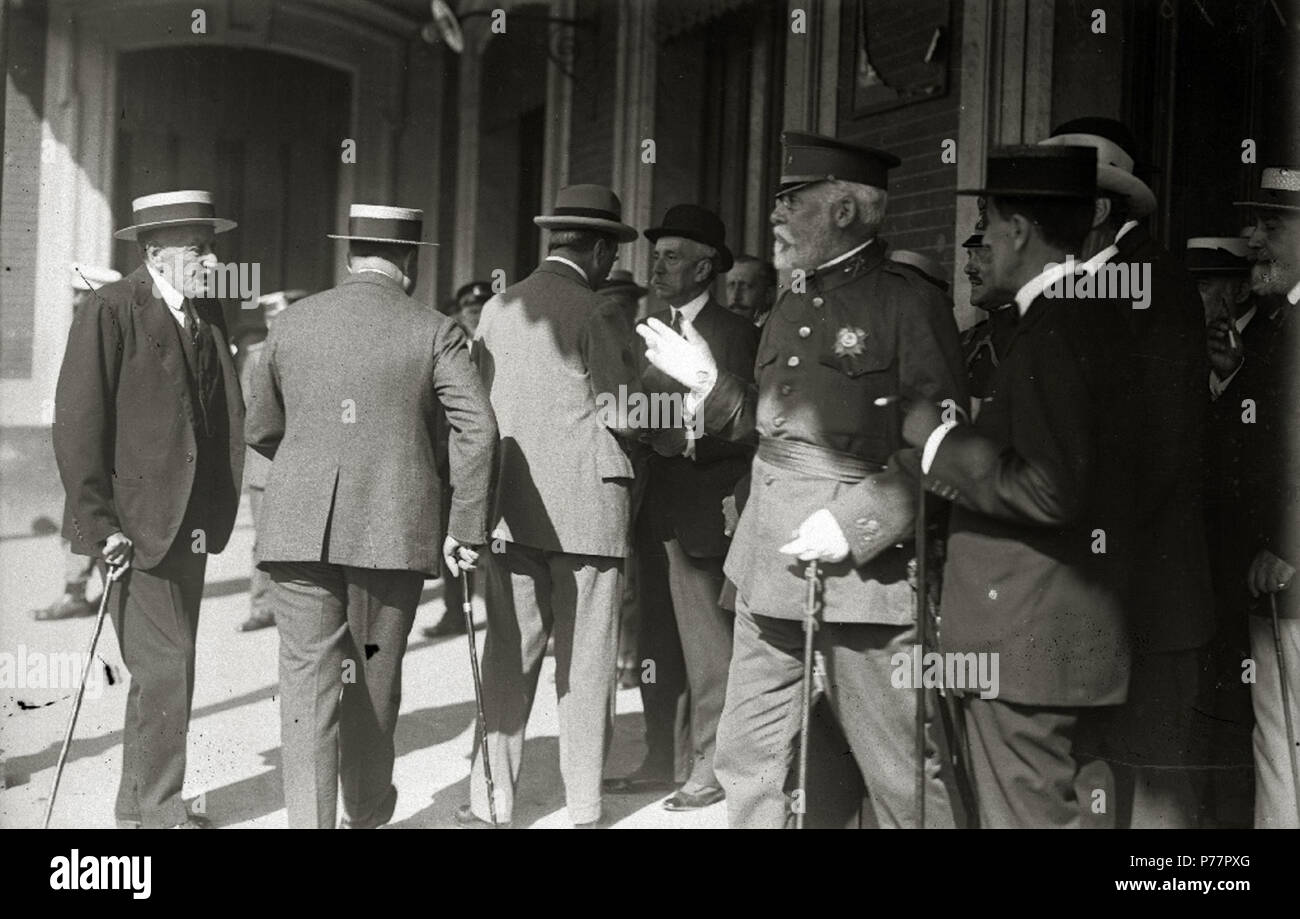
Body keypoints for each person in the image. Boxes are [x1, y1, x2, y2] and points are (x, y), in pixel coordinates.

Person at [639, 133, 968, 829]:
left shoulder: (909, 305)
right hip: (769, 560)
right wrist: (708, 382)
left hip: (863, 577)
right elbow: (772, 431)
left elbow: (938, 449)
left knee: (900, 768)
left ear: (845, 209)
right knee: (747, 754)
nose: (776, 217)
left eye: (793, 201)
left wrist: (852, 525)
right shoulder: (789, 304)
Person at [900, 145, 1139, 828]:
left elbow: (1049, 488)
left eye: (988, 220)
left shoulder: (1055, 329)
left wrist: (938, 442)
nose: (984, 239)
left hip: (1027, 647)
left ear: (1019, 231)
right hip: (1072, 643)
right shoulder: (1096, 317)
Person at [246, 204, 495, 829]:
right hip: (392, 530)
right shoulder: (434, 329)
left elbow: (262, 427)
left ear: (348, 255)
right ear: (410, 261)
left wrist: (313, 468)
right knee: (373, 683)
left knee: (306, 689)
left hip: (297, 531)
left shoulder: (291, 324)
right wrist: (465, 526)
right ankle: (365, 817)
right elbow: (480, 431)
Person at [459, 185, 673, 828]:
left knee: (507, 655)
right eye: (612, 255)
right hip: (586, 511)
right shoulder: (597, 312)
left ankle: (490, 801)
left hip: (509, 509)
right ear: (602, 249)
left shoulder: (496, 309)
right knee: (585, 664)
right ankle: (583, 807)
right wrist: (675, 414)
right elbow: (623, 411)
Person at [1041, 118, 1213, 828]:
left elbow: (1164, 440)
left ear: (1102, 209)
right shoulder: (1086, 279)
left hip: (1146, 583)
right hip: (1108, 579)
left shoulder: (1151, 280)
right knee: (1106, 761)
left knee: (1155, 776)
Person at [53, 189, 245, 828]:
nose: (212, 258)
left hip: (188, 525)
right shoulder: (111, 309)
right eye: (199, 248)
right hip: (136, 527)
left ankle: (137, 807)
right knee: (166, 668)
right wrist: (98, 524)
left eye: (211, 246)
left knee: (165, 668)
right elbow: (79, 425)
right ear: (156, 252)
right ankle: (160, 813)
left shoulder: (204, 313)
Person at [609, 205, 757, 811]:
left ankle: (709, 762)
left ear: (705, 268)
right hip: (656, 506)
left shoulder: (740, 334)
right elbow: (642, 410)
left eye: (672, 256)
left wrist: (684, 436)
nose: (658, 265)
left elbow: (752, 424)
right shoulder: (649, 326)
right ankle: (657, 756)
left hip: (706, 506)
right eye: (657, 254)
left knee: (707, 645)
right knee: (654, 641)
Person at [1233, 165, 1300, 827]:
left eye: (1272, 224)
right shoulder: (1274, 327)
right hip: (1273, 585)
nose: (1252, 237)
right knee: (1279, 750)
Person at [1191, 232, 1263, 827]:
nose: (1195, 296)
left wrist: (1232, 378)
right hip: (1202, 559)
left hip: (1250, 557)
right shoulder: (1191, 343)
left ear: (1236, 287)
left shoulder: (1266, 339)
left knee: (1245, 711)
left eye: (1205, 283)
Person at [31, 264, 120, 622]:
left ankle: (77, 592)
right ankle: (79, 589)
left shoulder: (106, 328)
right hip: (78, 437)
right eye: (75, 294)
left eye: (82, 293)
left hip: (96, 444)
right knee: (82, 513)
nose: (76, 300)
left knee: (85, 512)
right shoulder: (80, 327)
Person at [236, 289, 306, 633]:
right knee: (264, 538)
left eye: (278, 316)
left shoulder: (316, 353)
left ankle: (299, 609)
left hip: (306, 462)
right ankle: (263, 606)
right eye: (268, 318)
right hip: (267, 463)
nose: (273, 324)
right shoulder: (255, 356)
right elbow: (250, 411)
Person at [955, 205, 1017, 411]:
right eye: (969, 255)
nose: (968, 268)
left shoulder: (1033, 338)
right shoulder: (965, 342)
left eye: (981, 255)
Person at [724, 255, 777, 327]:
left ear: (769, 294)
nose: (735, 296)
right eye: (731, 285)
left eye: (746, 286)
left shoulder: (776, 331)